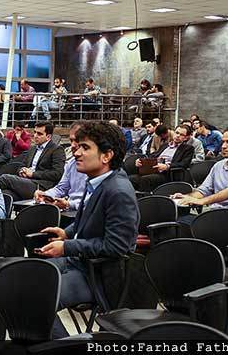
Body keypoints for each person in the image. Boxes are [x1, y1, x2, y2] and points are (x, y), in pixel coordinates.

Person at [34, 121, 139, 338]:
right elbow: (89, 220)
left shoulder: (118, 192)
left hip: (96, 274)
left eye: (85, 147)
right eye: (78, 146)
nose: (76, 152)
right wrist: (67, 233)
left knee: (38, 300)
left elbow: (116, 247)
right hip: (80, 262)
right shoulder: (97, 182)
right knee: (24, 277)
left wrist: (67, 246)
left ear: (106, 156)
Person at [174, 127, 228, 232]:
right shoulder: (218, 166)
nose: (223, 146)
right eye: (223, 142)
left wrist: (202, 201)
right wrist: (187, 197)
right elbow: (204, 190)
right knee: (176, 221)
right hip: (215, 214)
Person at [0, 121, 65, 201]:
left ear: (48, 136)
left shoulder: (56, 150)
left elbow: (57, 174)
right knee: (5, 195)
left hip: (41, 186)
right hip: (26, 183)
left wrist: (33, 174)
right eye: (35, 132)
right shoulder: (32, 149)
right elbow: (21, 166)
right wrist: (22, 171)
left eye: (39, 134)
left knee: (4, 178)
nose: (35, 136)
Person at [33, 121, 88, 213]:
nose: (73, 145)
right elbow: (61, 188)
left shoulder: (101, 169)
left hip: (83, 211)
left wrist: (69, 204)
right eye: (71, 141)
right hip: (70, 209)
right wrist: (46, 195)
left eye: (77, 141)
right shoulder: (71, 163)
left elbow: (94, 203)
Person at [130, 124, 194, 192]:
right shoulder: (165, 145)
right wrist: (141, 160)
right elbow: (153, 155)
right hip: (154, 170)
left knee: (145, 179)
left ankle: (143, 197)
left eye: (181, 135)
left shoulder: (188, 148)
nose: (178, 135)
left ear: (186, 137)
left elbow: (184, 164)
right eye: (177, 133)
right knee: (132, 178)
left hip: (169, 174)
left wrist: (167, 166)